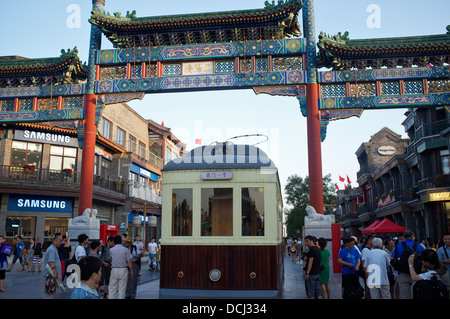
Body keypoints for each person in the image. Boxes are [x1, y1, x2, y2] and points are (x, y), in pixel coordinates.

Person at [391, 230, 424, 299]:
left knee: (404, 295)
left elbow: (392, 258)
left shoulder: (398, 245)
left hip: (403, 272)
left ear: (404, 237)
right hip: (416, 273)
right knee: (417, 293)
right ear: (412, 237)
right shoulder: (418, 245)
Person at [42, 233, 63, 299]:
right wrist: (55, 273)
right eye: (60, 241)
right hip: (51, 277)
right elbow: (51, 262)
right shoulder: (52, 249)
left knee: (49, 294)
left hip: (52, 276)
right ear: (55, 240)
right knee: (50, 295)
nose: (61, 243)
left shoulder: (53, 249)